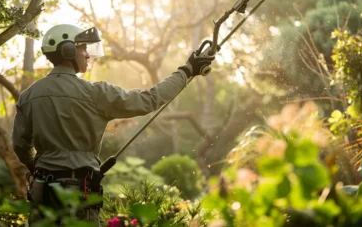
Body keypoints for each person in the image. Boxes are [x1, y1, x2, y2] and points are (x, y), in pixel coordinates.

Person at [12, 24, 215, 225]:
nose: (88, 55)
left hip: (41, 191)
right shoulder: (95, 93)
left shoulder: (28, 96)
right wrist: (187, 71)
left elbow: (21, 146)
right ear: (69, 50)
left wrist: (42, 167)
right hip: (78, 192)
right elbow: (149, 99)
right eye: (83, 48)